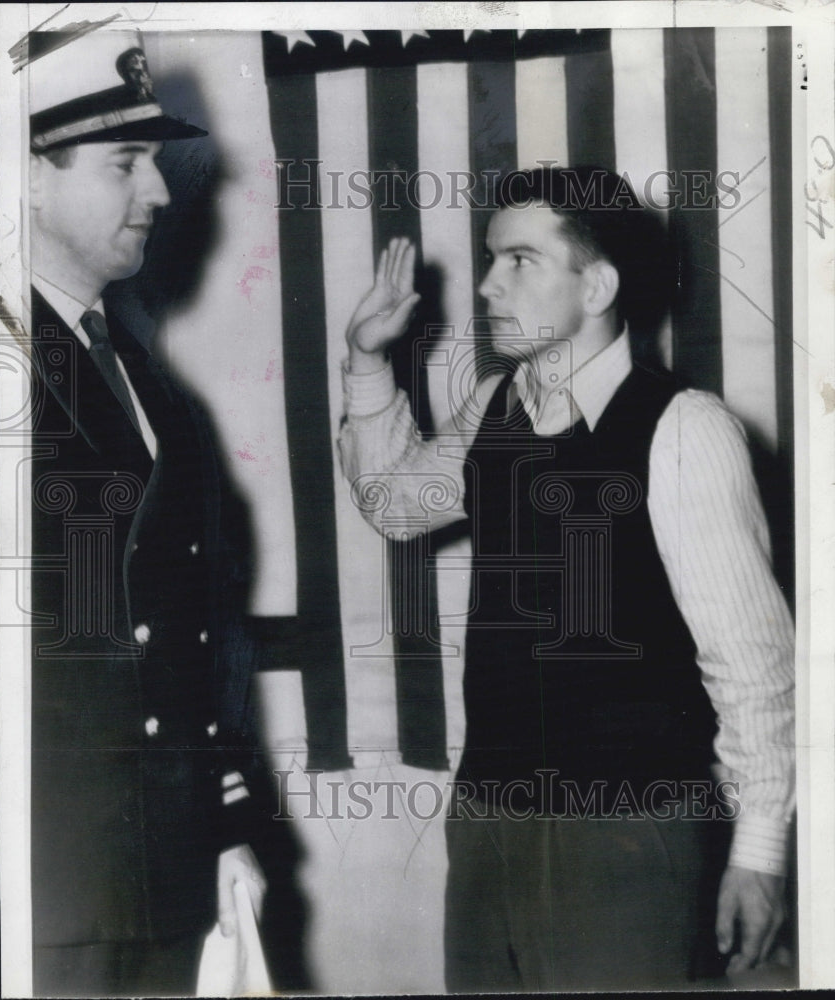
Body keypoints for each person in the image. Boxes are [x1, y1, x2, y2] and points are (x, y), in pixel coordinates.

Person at [338, 166, 795, 991]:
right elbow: (395, 504)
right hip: (487, 821)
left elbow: (754, 662)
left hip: (626, 831)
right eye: (489, 258)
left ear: (598, 285)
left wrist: (760, 852)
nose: (485, 283)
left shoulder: (686, 428)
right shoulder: (496, 407)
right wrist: (368, 363)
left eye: (519, 260)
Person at [27, 30, 269, 996]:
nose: (161, 194)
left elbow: (190, 633)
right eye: (126, 163)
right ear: (27, 178)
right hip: (47, 882)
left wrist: (224, 825)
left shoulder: (151, 389)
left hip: (158, 879)